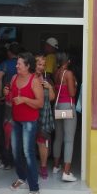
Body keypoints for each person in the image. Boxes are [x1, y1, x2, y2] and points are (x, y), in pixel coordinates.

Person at [5, 52, 44, 194]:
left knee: (28, 153)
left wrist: (25, 100)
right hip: (16, 120)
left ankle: (34, 190)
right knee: (15, 151)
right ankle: (22, 177)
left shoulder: (34, 81)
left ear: (28, 66)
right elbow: (11, 95)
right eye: (17, 64)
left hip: (29, 121)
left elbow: (40, 103)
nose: (16, 66)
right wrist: (7, 92)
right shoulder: (14, 78)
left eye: (19, 64)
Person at [0, 41, 21, 169]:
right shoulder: (21, 64)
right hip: (20, 102)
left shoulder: (5, 64)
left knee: (6, 130)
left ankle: (6, 160)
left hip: (8, 102)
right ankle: (16, 160)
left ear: (9, 52)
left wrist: (0, 95)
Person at [53, 52, 78, 182]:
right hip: (67, 107)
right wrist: (75, 83)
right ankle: (66, 172)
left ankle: (56, 166)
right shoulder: (68, 74)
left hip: (58, 107)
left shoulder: (56, 73)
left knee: (58, 137)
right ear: (67, 61)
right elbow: (72, 92)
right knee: (69, 140)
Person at [35, 55, 55, 179]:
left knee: (42, 141)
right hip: (31, 112)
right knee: (29, 141)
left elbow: (52, 98)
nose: (42, 67)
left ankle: (43, 166)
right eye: (39, 64)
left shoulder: (47, 79)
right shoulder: (29, 77)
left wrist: (50, 87)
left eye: (43, 65)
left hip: (43, 114)